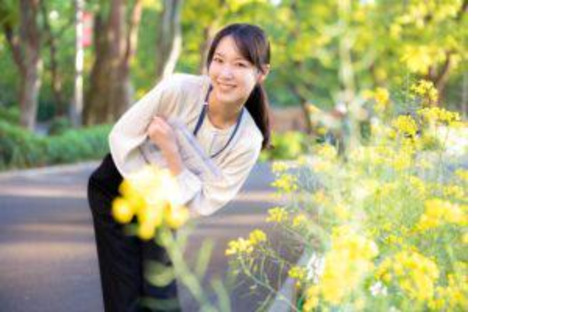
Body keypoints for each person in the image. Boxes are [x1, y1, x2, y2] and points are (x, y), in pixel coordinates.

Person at [87, 23, 272, 311]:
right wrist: (154, 190)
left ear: (261, 73)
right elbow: (121, 137)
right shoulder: (179, 90)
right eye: (219, 60)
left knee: (160, 297)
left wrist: (172, 153)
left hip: (169, 205)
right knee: (125, 294)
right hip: (118, 186)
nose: (225, 73)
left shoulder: (247, 141)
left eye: (240, 64)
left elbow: (201, 202)